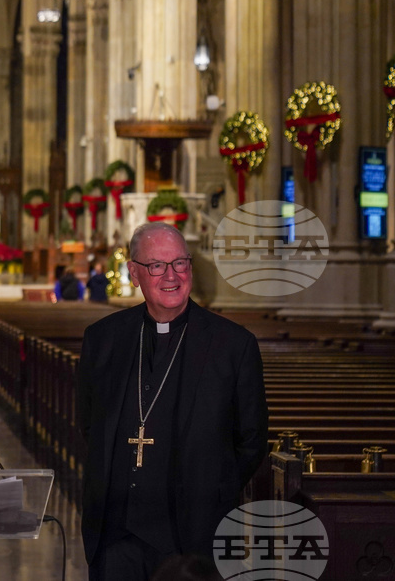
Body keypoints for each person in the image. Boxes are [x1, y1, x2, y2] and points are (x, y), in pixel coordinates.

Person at [78, 222, 268, 581]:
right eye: (157, 266)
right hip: (115, 537)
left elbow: (252, 439)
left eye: (180, 263)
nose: (171, 275)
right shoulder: (102, 340)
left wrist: (211, 489)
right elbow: (90, 425)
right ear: (134, 273)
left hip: (192, 542)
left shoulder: (233, 345)